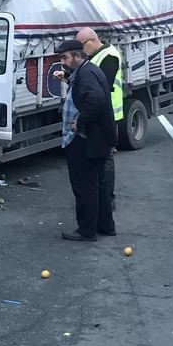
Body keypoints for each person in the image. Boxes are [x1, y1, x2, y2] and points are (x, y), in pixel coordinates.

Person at [57, 39, 117, 242]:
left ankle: (87, 230)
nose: (63, 62)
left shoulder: (86, 74)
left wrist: (80, 122)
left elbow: (96, 100)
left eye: (65, 58)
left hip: (86, 139)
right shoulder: (87, 70)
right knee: (98, 184)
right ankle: (105, 225)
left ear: (77, 55)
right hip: (98, 138)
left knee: (85, 186)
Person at [77, 27, 122, 209]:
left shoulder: (109, 56)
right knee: (100, 158)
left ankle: (108, 199)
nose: (81, 52)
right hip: (100, 114)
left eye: (81, 46)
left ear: (91, 40)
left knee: (106, 159)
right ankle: (101, 198)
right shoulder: (95, 56)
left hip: (108, 114)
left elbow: (102, 84)